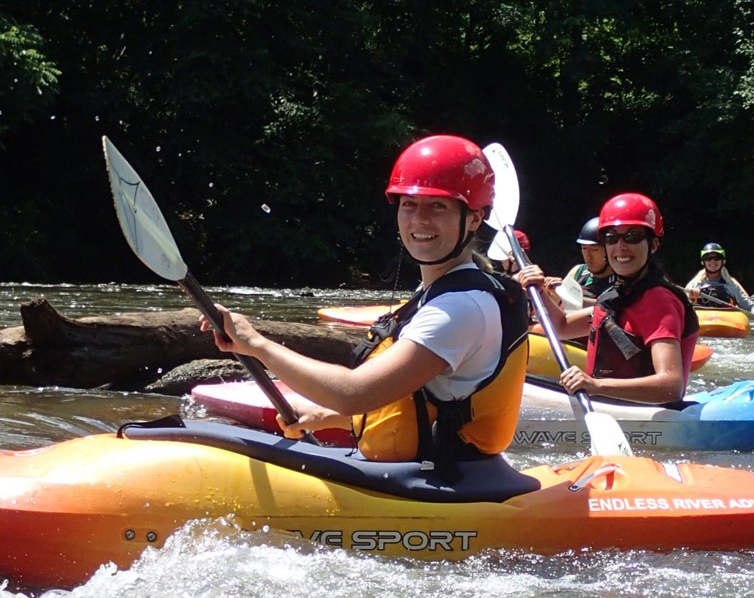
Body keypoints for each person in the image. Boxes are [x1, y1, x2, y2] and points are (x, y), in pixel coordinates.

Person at [202, 135, 531, 474]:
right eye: (409, 205)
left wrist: (255, 343)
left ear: (475, 219)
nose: (419, 221)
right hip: (428, 475)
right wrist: (332, 417)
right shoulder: (444, 291)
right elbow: (434, 400)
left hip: (441, 490)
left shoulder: (460, 309)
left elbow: (353, 393)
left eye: (438, 207)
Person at [517, 193, 700, 404]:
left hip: (641, 415)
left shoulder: (658, 300)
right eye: (612, 238)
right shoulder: (616, 295)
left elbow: (670, 386)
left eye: (632, 236)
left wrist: (595, 386)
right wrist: (539, 292)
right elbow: (562, 327)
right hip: (607, 404)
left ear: (654, 244)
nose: (621, 247)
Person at [684, 242, 754, 323]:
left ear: (723, 261)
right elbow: (682, 305)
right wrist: (692, 298)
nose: (712, 261)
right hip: (702, 321)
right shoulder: (694, 284)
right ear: (703, 262)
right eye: (708, 258)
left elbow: (748, 305)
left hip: (728, 322)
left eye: (717, 258)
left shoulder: (731, 285)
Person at [561, 216, 612, 306]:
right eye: (584, 248)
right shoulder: (578, 271)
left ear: (609, 250)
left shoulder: (620, 281)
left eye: (594, 250)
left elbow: (605, 306)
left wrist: (563, 295)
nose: (588, 256)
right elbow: (557, 305)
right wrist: (548, 290)